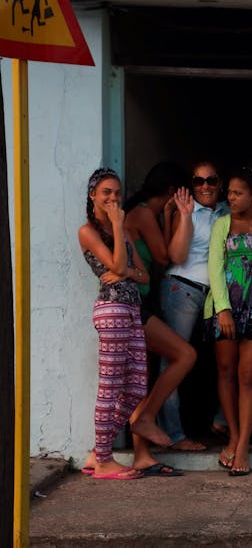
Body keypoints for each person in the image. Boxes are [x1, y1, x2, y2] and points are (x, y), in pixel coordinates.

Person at [161, 161, 252, 443]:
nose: (205, 187)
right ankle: (174, 434)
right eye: (198, 181)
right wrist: (185, 216)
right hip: (185, 289)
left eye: (211, 181)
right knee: (177, 359)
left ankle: (222, 422)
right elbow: (176, 256)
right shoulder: (188, 211)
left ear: (220, 183)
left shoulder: (228, 211)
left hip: (218, 296)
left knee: (220, 366)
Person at [78, 168, 164, 479]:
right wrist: (116, 225)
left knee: (137, 386)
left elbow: (145, 276)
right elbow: (115, 264)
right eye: (106, 193)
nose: (113, 198)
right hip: (111, 309)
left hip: (131, 309)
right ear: (93, 197)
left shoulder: (124, 232)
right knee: (111, 387)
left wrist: (126, 270)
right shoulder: (88, 232)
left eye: (117, 192)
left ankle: (96, 452)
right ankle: (103, 460)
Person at [122, 162, 205, 469]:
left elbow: (165, 253)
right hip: (132, 305)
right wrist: (177, 215)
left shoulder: (151, 214)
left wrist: (169, 216)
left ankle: (141, 454)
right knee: (184, 355)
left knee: (142, 378)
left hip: (139, 303)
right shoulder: (144, 213)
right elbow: (164, 256)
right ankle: (145, 417)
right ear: (173, 191)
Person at [204, 167, 252, 476]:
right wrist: (222, 308)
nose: (231, 198)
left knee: (249, 376)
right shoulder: (223, 224)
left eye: (237, 193)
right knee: (226, 372)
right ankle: (234, 436)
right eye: (230, 193)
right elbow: (215, 265)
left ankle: (244, 444)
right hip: (228, 307)